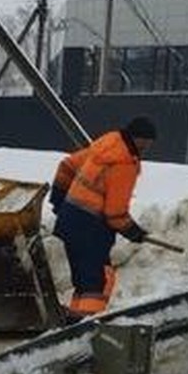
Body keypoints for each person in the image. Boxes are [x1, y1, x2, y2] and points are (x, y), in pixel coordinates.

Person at [50, 115, 157, 320]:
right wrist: (133, 231)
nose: (147, 149)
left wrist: (59, 198)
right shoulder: (125, 163)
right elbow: (114, 213)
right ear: (138, 138)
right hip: (90, 229)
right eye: (147, 143)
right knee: (98, 282)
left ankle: (75, 319)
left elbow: (67, 166)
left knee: (83, 280)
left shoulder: (106, 144)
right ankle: (89, 326)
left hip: (69, 222)